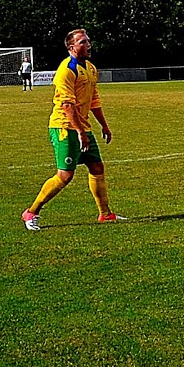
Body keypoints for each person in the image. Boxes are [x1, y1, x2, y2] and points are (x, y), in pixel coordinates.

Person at [22, 29, 117, 231]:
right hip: (64, 127)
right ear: (71, 47)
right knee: (65, 176)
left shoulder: (90, 68)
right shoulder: (66, 69)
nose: (88, 45)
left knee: (97, 167)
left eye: (88, 41)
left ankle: (106, 214)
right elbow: (67, 105)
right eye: (83, 42)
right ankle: (31, 212)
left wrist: (104, 125)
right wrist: (81, 133)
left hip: (82, 127)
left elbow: (94, 100)